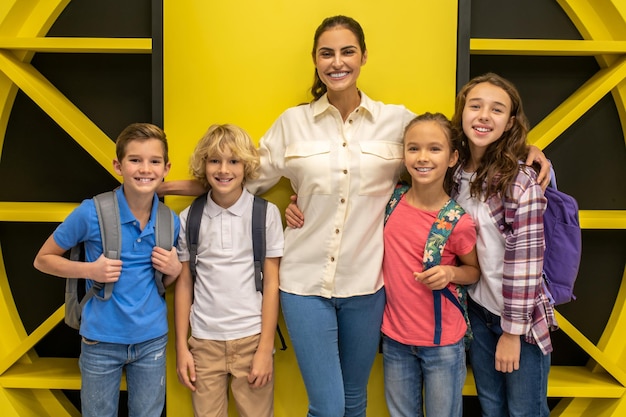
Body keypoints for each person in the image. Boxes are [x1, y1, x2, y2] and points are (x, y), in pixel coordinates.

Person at [159, 16, 551, 416]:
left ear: (363, 56)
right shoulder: (292, 124)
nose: (337, 62)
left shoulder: (396, 121)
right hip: (303, 284)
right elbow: (235, 177)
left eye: (347, 51)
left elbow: (451, 146)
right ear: (315, 60)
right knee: (328, 407)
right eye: (326, 53)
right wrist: (162, 186)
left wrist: (525, 151)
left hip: (367, 285)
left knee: (354, 400)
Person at [33, 123, 182, 417]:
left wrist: (175, 270)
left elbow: (163, 280)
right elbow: (43, 259)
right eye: (135, 160)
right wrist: (91, 270)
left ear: (166, 168)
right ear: (118, 165)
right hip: (101, 340)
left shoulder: (170, 220)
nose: (145, 169)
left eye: (154, 161)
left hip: (151, 340)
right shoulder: (91, 212)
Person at [450, 73, 558, 417]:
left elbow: (526, 263)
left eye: (496, 110)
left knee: (525, 411)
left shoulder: (520, 181)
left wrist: (512, 333)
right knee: (492, 408)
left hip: (520, 322)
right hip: (479, 314)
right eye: (475, 106)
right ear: (462, 112)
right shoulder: (452, 173)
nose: (483, 116)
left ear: (510, 122)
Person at [174, 124, 283, 417]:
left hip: (251, 339)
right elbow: (184, 284)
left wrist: (265, 349)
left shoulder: (265, 213)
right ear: (203, 166)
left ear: (246, 166)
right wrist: (182, 348)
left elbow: (272, 284)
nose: (224, 169)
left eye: (234, 161)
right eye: (214, 161)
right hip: (204, 342)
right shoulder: (189, 218)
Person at [381, 112, 479, 417]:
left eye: (434, 149)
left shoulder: (457, 221)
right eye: (414, 148)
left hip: (443, 344)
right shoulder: (390, 200)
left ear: (452, 158)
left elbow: (473, 271)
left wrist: (450, 272)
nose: (423, 157)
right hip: (395, 340)